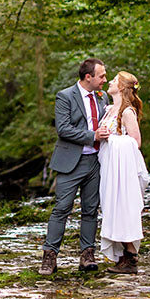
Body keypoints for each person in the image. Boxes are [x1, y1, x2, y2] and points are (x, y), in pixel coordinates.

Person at [39, 58, 111, 275]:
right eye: (101, 76)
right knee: (62, 209)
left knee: (90, 210)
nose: (104, 80)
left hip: (96, 162)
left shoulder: (103, 96)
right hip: (71, 162)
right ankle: (49, 257)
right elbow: (63, 129)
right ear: (88, 77)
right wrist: (93, 135)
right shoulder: (65, 96)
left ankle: (87, 255)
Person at [97, 71, 149, 274]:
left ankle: (130, 256)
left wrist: (111, 139)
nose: (109, 82)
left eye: (114, 80)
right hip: (109, 166)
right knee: (111, 208)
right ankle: (122, 255)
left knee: (124, 208)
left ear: (120, 87)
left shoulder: (127, 112)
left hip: (123, 169)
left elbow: (136, 142)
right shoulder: (109, 109)